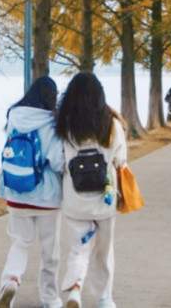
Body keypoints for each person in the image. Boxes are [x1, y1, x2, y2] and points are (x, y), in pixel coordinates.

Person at [56, 71, 127, 308]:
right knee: (104, 252)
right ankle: (105, 298)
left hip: (74, 199)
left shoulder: (65, 126)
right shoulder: (112, 125)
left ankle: (75, 289)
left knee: (78, 248)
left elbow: (59, 162)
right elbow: (120, 160)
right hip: (104, 200)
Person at [0, 76, 65, 308]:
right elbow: (57, 161)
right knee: (50, 252)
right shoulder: (52, 123)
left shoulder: (13, 117)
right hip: (46, 197)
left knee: (20, 243)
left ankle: (10, 283)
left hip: (15, 193)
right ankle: (50, 299)